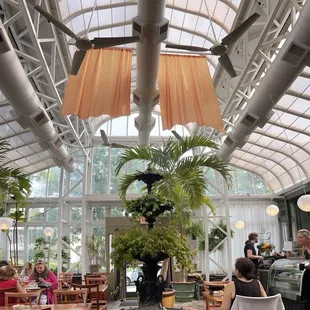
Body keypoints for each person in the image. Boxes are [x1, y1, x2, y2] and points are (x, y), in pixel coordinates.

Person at [297, 229, 310, 309]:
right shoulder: (305, 250)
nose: (298, 239)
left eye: (300, 237)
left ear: (307, 237)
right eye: (297, 237)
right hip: (307, 276)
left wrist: (305, 266)